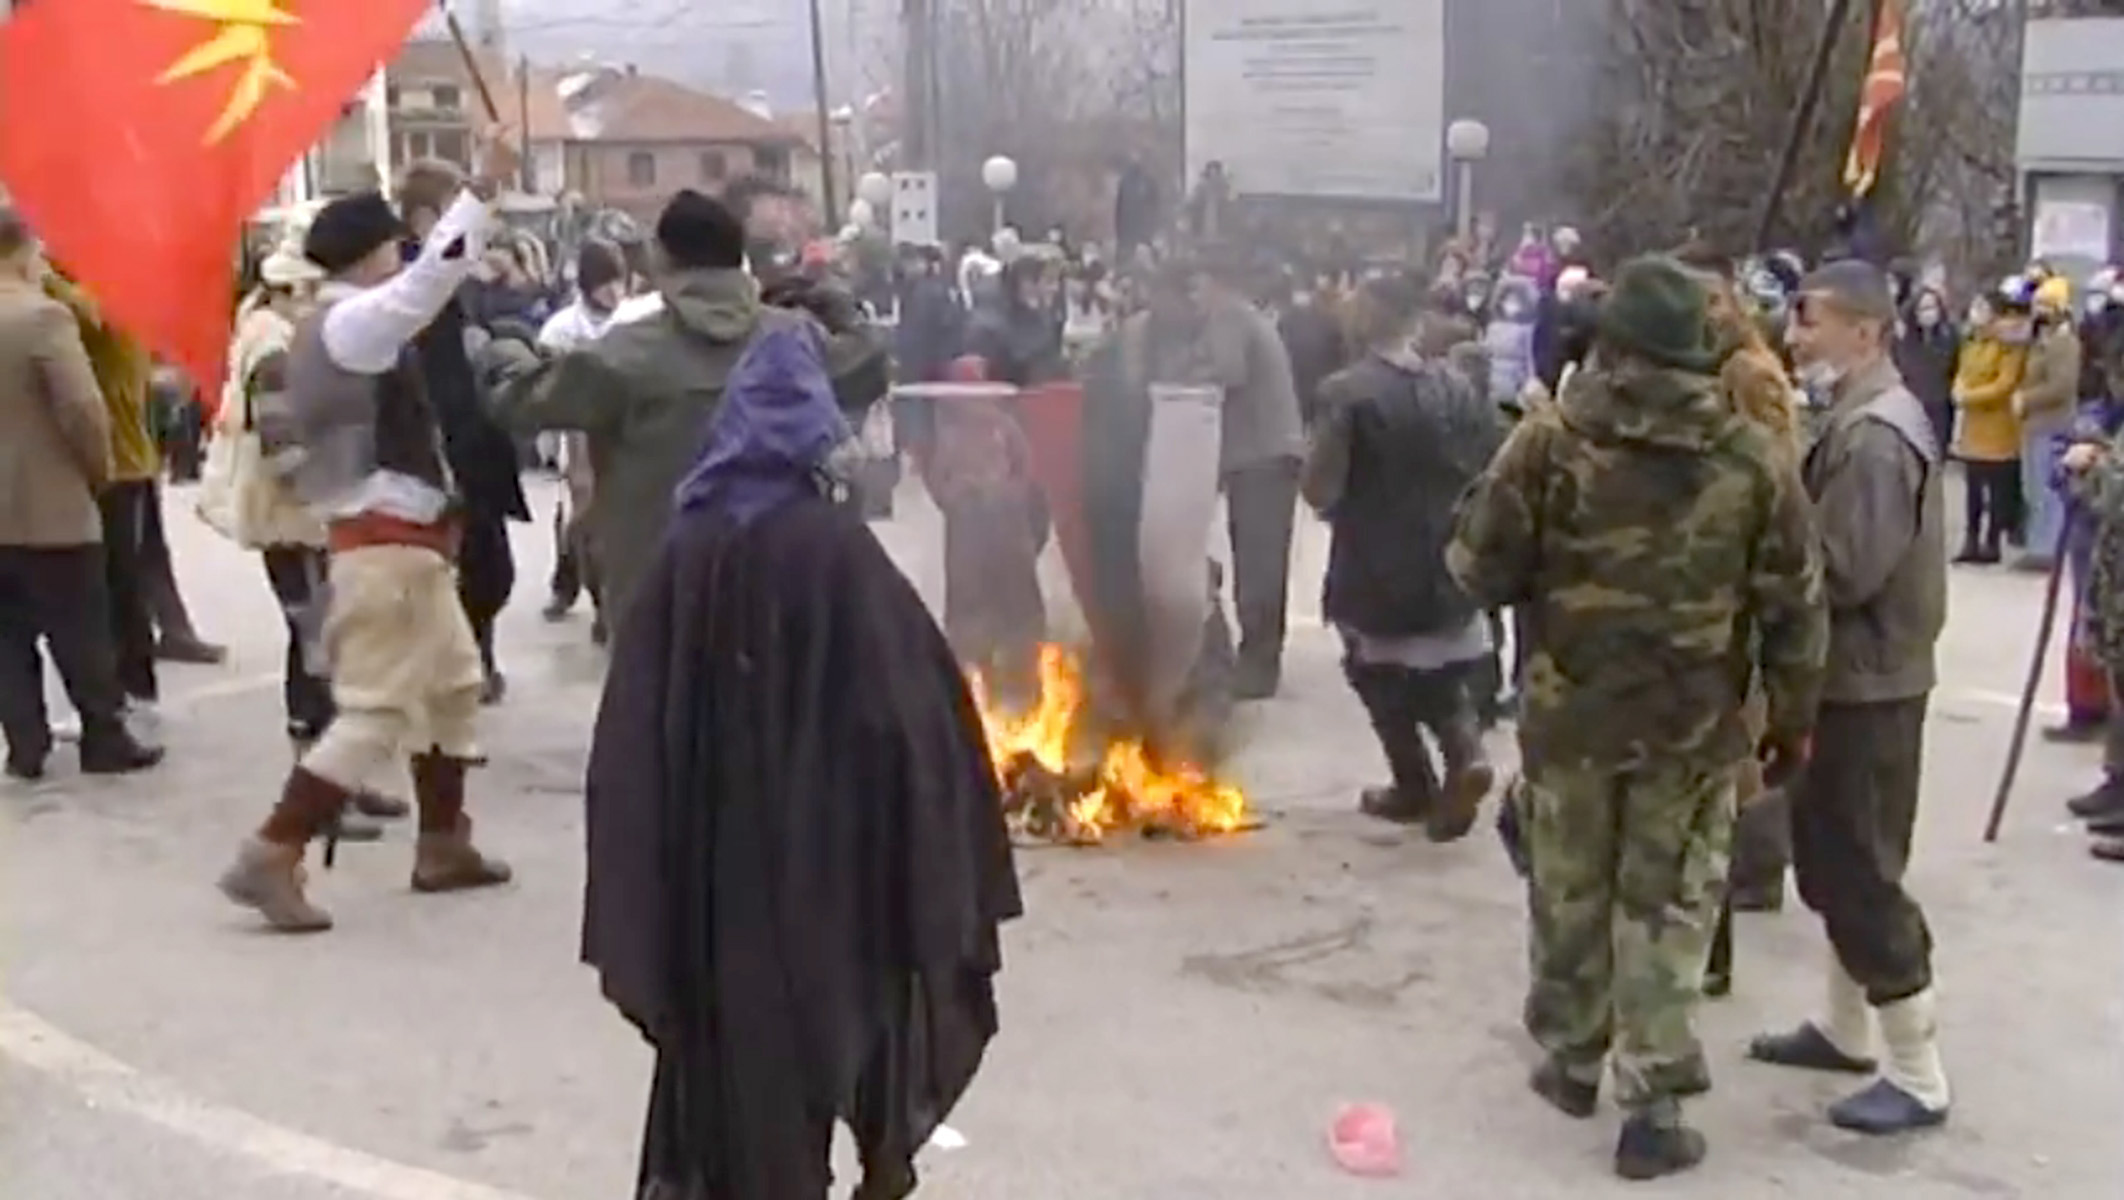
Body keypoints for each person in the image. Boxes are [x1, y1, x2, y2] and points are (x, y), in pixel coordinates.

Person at [583, 322, 1021, 1200]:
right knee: (858, 1003)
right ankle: (880, 1157)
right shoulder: (836, 552)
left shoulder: (685, 551)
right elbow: (916, 712)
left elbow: (631, 728)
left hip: (715, 864)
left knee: (738, 1050)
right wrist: (933, 835)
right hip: (831, 856)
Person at [1448, 256, 1826, 1179]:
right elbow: (1795, 603)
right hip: (1691, 724)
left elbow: (1477, 568)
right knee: (1667, 901)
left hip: (1570, 710)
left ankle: (1573, 1057)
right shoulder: (1751, 457)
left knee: (1569, 883)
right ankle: (1652, 1103)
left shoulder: (1549, 441)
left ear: (1610, 341)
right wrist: (1792, 716)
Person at [218, 133, 521, 933]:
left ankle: (444, 842)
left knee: (452, 689)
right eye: (394, 244)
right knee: (377, 710)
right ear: (370, 253)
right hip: (383, 546)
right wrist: (483, 189)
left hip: (405, 544)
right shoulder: (352, 323)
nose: (403, 254)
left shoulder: (344, 323)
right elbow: (429, 284)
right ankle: (272, 850)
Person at [1748, 259, 1951, 1136]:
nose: (1795, 338)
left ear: (1865, 333)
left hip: (1867, 685)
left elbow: (1846, 569)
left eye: (1812, 322)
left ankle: (1919, 1071)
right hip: (1854, 678)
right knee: (1828, 858)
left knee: (1861, 871)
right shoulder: (1857, 417)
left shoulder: (1875, 437)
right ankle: (1846, 1029)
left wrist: (1760, 548)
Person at [490, 189, 889, 634]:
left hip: (658, 600)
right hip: (775, 601)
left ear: (661, 261)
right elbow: (868, 364)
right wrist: (837, 301)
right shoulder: (797, 340)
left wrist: (505, 347)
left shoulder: (625, 354)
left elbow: (519, 402)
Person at [199, 243, 408, 844]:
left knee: (328, 648)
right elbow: (282, 444)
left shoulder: (276, 332)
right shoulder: (275, 346)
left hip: (304, 515)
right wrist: (333, 494)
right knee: (315, 648)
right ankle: (316, 788)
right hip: (295, 520)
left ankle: (338, 779)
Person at [1304, 274, 1502, 841]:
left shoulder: (1347, 392)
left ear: (1365, 318)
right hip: (1449, 554)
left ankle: (1414, 781)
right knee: (1442, 666)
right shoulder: (1459, 385)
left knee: (1373, 670)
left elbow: (1320, 487)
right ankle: (1464, 752)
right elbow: (1491, 460)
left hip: (1374, 559)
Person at [0, 207, 163, 780]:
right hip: (51, 503)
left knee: (6, 637)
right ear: (23, 250)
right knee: (80, 623)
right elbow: (81, 407)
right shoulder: (43, 317)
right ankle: (103, 735)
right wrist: (97, 470)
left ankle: (25, 744)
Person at [398, 159, 533, 704]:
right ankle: (457, 665)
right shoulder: (411, 280)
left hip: (473, 436)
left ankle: (474, 654)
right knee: (465, 568)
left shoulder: (458, 276)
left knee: (488, 567)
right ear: (426, 218)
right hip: (438, 438)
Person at [44, 268, 164, 738]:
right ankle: (132, 688)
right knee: (119, 582)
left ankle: (127, 691)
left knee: (113, 584)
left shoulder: (108, 302)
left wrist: (37, 268)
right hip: (121, 462)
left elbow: (86, 311)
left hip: (117, 465)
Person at [1197, 257, 1306, 699]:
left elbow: (1226, 373)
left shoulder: (1229, 316)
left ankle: (1259, 667)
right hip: (1266, 454)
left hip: (1262, 454)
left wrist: (1176, 375)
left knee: (1258, 562)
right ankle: (1260, 656)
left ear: (1216, 283)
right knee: (1260, 557)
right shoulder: (1247, 316)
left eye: (1197, 287)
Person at [535, 239, 629, 639]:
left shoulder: (632, 321)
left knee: (616, 523)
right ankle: (573, 585)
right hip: (576, 434)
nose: (614, 292)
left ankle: (610, 601)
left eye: (619, 282)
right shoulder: (561, 329)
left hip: (623, 432)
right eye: (605, 283)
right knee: (579, 521)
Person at [1951, 285, 2031, 564]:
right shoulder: (1972, 341)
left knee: (1996, 487)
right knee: (1973, 486)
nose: (1976, 313)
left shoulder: (2009, 345)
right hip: (1972, 424)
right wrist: (1959, 387)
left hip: (1997, 423)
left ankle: (1992, 541)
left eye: (1982, 308)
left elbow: (2006, 383)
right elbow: (1962, 371)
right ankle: (1970, 540)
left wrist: (1969, 396)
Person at [2013, 276, 2084, 571]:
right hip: (2034, 425)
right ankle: (2037, 545)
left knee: (2047, 491)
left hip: (2052, 424)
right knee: (2033, 489)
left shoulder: (2064, 343)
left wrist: (2027, 399)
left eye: (2044, 304)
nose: (2038, 310)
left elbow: (2062, 386)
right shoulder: (2041, 341)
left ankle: (2047, 551)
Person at [1895, 286, 1959, 451]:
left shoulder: (1950, 336)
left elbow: (1954, 368)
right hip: (1910, 406)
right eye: (1923, 308)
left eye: (1932, 307)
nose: (1929, 313)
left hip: (1940, 405)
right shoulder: (1902, 340)